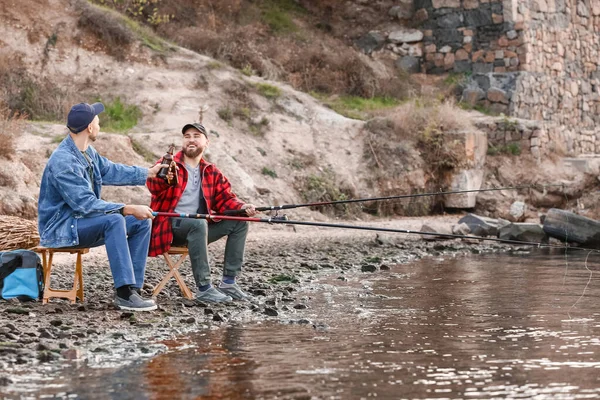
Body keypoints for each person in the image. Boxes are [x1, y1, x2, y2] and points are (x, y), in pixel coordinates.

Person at [38, 102, 169, 311]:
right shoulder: (64, 161)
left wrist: (148, 172)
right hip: (61, 230)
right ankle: (124, 293)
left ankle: (133, 288)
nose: (100, 124)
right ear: (90, 128)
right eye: (97, 120)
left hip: (81, 224)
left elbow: (110, 171)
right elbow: (86, 204)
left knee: (140, 222)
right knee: (115, 219)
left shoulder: (87, 152)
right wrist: (126, 207)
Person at [147, 122, 257, 303]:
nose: (191, 140)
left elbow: (226, 198)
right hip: (169, 229)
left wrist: (243, 207)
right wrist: (163, 178)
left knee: (239, 221)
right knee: (199, 223)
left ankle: (229, 282)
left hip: (198, 231)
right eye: (187, 136)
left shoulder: (211, 171)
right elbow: (153, 185)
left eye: (196, 136)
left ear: (207, 142)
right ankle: (204, 288)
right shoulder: (168, 163)